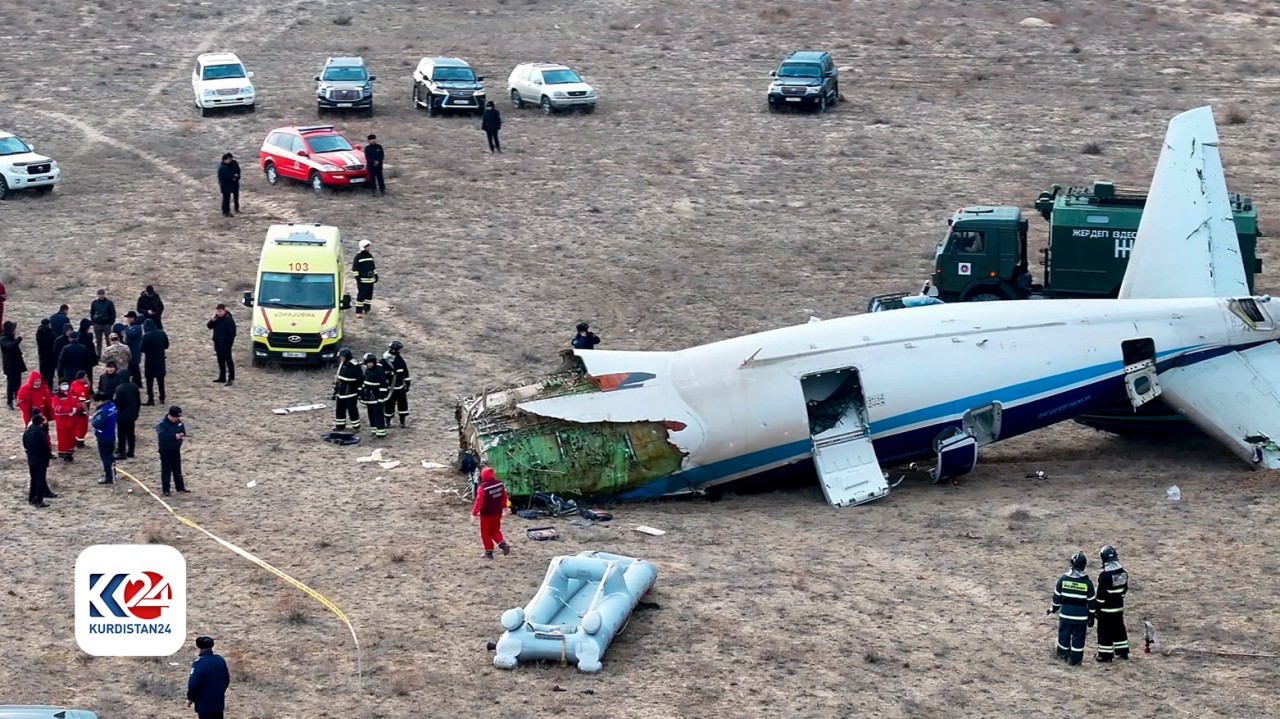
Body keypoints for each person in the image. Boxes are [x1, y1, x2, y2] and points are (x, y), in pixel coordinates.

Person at [1048, 551, 1096, 666]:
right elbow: (1092, 602)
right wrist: (1091, 617)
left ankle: (1062, 656)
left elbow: (1056, 597)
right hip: (1081, 617)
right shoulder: (1087, 583)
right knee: (1078, 639)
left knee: (1063, 635)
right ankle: (1075, 661)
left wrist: (1054, 608)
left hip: (1065, 614)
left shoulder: (1063, 579)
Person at [1095, 545, 1130, 662]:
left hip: (1106, 610)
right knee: (1119, 628)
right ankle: (1122, 651)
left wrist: (1097, 608)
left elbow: (1101, 596)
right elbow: (1124, 590)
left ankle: (1105, 655)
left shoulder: (1104, 576)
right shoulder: (1123, 573)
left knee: (1104, 631)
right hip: (1118, 607)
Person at [471, 467, 511, 559]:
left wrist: (474, 513)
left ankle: (488, 553)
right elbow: (504, 496)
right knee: (495, 530)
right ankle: (503, 544)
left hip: (486, 514)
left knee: (485, 533)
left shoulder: (483, 487)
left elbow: (479, 501)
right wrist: (504, 507)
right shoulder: (500, 484)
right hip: (497, 512)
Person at [186, 635, 230, 719]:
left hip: (204, 704)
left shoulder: (199, 663)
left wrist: (190, 697)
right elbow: (226, 680)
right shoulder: (220, 660)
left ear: (199, 647)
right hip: (218, 702)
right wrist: (219, 692)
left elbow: (193, 684)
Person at [24, 410, 54, 508]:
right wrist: (48, 455)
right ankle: (39, 500)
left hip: (31, 459)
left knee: (33, 479)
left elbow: (25, 444)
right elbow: (45, 447)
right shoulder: (41, 434)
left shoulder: (27, 432)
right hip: (41, 460)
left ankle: (32, 498)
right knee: (40, 480)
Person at [156, 405, 187, 496]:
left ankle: (180, 487)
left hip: (175, 449)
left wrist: (182, 433)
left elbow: (182, 429)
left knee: (177, 469)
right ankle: (166, 490)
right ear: (170, 415)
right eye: (176, 417)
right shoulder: (162, 424)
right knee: (166, 470)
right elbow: (162, 436)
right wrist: (174, 436)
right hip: (166, 450)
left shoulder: (179, 422)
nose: (177, 419)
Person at [332, 348, 362, 431]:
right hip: (341, 391)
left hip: (350, 392)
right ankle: (340, 426)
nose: (340, 358)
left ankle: (356, 427)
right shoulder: (342, 364)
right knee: (339, 409)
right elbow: (338, 376)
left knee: (352, 410)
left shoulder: (354, 366)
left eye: (342, 357)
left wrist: (360, 392)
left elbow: (360, 380)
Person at [360, 352, 389, 438]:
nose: (369, 364)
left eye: (370, 363)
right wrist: (362, 393)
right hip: (369, 397)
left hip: (377, 397)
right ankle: (374, 430)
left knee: (378, 415)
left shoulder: (379, 371)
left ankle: (381, 432)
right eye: (367, 363)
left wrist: (381, 396)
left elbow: (383, 385)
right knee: (371, 414)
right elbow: (365, 383)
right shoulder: (368, 371)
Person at [141, 319, 170, 404]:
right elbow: (166, 345)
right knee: (161, 380)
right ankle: (162, 397)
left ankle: (151, 399)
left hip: (150, 361)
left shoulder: (146, 336)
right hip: (160, 360)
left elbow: (141, 348)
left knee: (149, 381)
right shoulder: (162, 333)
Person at [91, 395, 118, 485]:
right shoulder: (113, 406)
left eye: (96, 402)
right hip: (111, 435)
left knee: (105, 458)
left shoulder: (103, 411)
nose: (95, 404)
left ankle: (108, 477)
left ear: (100, 401)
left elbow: (96, 424)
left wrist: (92, 419)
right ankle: (114, 473)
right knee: (111, 456)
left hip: (103, 436)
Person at [207, 304, 236, 386]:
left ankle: (231, 378)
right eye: (217, 312)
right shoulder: (216, 318)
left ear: (224, 310)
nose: (218, 313)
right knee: (220, 361)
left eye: (220, 312)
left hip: (226, 345)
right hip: (218, 343)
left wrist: (228, 345)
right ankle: (222, 377)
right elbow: (209, 326)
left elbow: (232, 334)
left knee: (229, 362)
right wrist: (212, 320)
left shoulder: (229, 320)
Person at [113, 374, 141, 460]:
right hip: (132, 414)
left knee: (121, 434)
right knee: (131, 433)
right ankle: (131, 451)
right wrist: (136, 412)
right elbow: (138, 401)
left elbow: (117, 403)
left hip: (122, 415)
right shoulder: (134, 386)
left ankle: (122, 452)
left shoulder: (119, 389)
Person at [384, 340, 411, 427]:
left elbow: (405, 372)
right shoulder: (385, 360)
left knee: (402, 404)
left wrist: (407, 383)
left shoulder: (400, 359)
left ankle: (402, 422)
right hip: (390, 387)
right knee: (389, 405)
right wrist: (389, 374)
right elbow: (380, 373)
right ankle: (387, 422)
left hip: (400, 387)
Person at [52, 382, 80, 462]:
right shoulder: (57, 396)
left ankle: (69, 454)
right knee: (63, 439)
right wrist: (70, 410)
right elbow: (57, 409)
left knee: (71, 438)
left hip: (72, 420)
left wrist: (75, 409)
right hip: (62, 422)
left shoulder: (72, 394)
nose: (65, 386)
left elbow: (77, 403)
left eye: (66, 384)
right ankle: (63, 454)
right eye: (63, 384)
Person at [1, 320, 26, 409]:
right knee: (11, 384)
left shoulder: (11, 337)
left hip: (16, 364)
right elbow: (11, 346)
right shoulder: (3, 339)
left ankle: (17, 398)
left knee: (18, 383)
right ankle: (9, 402)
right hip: (10, 366)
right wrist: (19, 338)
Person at [352, 240, 377, 316]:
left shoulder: (370, 256)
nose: (369, 247)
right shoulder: (358, 257)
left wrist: (375, 274)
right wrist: (357, 277)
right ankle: (359, 311)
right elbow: (355, 268)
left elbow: (373, 266)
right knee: (361, 296)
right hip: (362, 281)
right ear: (363, 247)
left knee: (369, 296)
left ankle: (366, 309)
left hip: (370, 280)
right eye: (367, 246)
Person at [89, 289, 117, 356]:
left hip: (106, 324)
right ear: (97, 295)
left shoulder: (109, 303)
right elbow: (92, 312)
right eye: (99, 294)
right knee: (98, 341)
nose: (101, 296)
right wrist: (93, 321)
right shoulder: (94, 303)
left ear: (104, 294)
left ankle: (108, 355)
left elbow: (113, 313)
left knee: (108, 341)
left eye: (102, 294)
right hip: (97, 324)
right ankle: (98, 355)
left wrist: (110, 323)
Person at [70, 371, 92, 447]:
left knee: (77, 425)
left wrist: (89, 384)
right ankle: (80, 442)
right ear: (82, 378)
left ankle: (75, 439)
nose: (87, 378)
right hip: (81, 410)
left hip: (75, 407)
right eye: (86, 377)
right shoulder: (81, 389)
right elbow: (83, 402)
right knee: (83, 426)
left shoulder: (74, 383)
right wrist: (87, 412)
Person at [123, 311, 144, 385]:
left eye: (129, 318)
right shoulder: (133, 326)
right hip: (132, 350)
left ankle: (137, 382)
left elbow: (131, 334)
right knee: (133, 367)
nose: (127, 319)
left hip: (134, 351)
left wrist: (125, 326)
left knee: (135, 367)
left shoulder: (137, 327)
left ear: (133, 318)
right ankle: (136, 381)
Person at [217, 152, 240, 217]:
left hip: (233, 184)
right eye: (229, 159)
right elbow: (225, 177)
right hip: (225, 185)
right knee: (226, 199)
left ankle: (235, 209)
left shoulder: (233, 163)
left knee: (235, 196)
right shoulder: (222, 168)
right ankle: (225, 212)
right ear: (225, 160)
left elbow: (238, 169)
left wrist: (237, 177)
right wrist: (233, 176)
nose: (230, 160)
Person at [35, 318, 55, 384]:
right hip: (50, 356)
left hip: (42, 355)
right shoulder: (51, 334)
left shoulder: (38, 333)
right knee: (50, 375)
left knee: (43, 374)